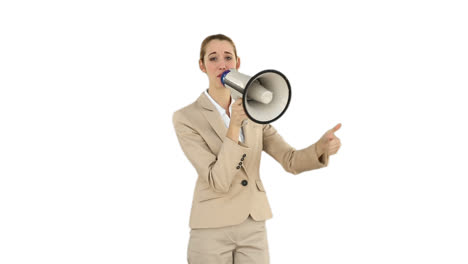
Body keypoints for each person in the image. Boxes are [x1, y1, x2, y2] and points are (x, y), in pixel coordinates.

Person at [173, 34, 342, 264]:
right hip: (211, 227)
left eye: (228, 57)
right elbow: (218, 180)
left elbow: (290, 160)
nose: (222, 64)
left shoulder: (255, 111)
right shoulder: (186, 118)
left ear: (238, 63)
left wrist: (320, 147)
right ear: (202, 65)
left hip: (253, 224)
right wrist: (233, 127)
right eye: (213, 58)